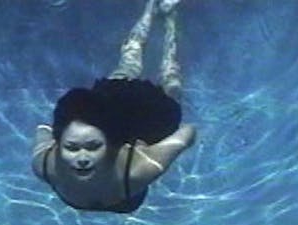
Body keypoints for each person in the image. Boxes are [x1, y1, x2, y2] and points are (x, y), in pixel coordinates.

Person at [32, 0, 196, 213]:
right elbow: (43, 131)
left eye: (93, 147)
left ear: (110, 145)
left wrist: (151, 148)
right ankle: (153, 9)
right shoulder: (44, 165)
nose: (82, 159)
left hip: (140, 128)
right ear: (59, 144)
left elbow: (188, 132)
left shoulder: (139, 170)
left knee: (168, 88)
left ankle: (169, 18)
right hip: (109, 120)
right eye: (71, 148)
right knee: (130, 70)